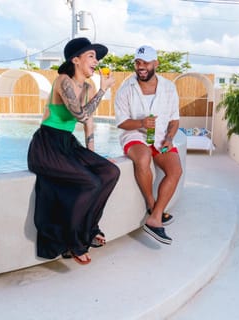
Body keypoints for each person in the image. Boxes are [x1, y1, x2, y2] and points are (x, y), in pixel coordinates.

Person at [27, 37, 120, 265]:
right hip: (47, 144)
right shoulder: (63, 81)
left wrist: (92, 156)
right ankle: (75, 242)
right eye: (91, 56)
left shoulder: (87, 87)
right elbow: (80, 114)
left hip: (68, 143)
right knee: (90, 182)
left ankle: (89, 228)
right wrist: (103, 91)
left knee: (110, 172)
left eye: (96, 57)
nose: (96, 61)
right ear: (76, 60)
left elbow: (88, 121)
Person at [114, 45, 182, 245]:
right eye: (138, 62)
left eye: (145, 62)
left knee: (175, 170)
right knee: (143, 158)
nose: (141, 66)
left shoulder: (169, 88)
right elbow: (121, 122)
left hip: (160, 137)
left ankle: (155, 217)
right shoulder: (126, 89)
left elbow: (174, 120)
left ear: (155, 64)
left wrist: (169, 139)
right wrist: (142, 123)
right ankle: (152, 205)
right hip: (134, 135)